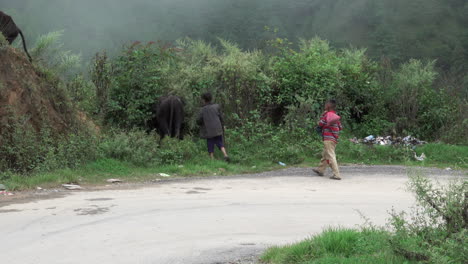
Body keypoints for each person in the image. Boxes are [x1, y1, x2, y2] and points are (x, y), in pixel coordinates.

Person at [313, 99, 343, 180]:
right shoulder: (335, 116)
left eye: (326, 105)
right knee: (325, 154)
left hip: (328, 138)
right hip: (333, 138)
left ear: (328, 106)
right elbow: (340, 127)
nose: (324, 106)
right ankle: (320, 170)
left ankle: (337, 174)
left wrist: (323, 116)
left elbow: (320, 123)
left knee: (330, 155)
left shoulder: (327, 115)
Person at [197, 92, 230, 161]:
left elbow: (198, 120)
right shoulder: (216, 106)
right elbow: (221, 117)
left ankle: (212, 159)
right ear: (211, 98)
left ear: (204, 100)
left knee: (210, 142)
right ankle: (225, 154)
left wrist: (201, 124)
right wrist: (223, 125)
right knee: (219, 142)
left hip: (209, 130)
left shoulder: (203, 109)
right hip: (218, 128)